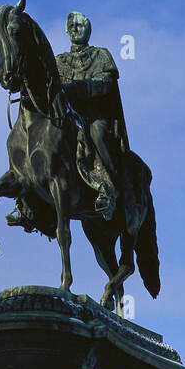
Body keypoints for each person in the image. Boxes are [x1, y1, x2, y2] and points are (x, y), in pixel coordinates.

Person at [56, 11, 127, 220]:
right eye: (71, 26)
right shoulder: (59, 61)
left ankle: (108, 186)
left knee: (97, 133)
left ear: (88, 29)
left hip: (94, 115)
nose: (75, 29)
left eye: (79, 25)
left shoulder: (101, 55)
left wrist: (76, 88)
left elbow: (105, 85)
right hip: (69, 116)